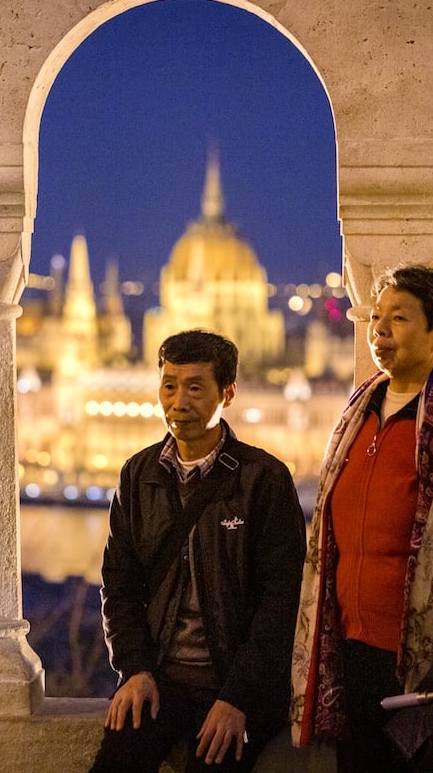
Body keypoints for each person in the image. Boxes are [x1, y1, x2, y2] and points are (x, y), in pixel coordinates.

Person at [290, 265, 433, 773]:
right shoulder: (358, 412)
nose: (379, 329)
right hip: (349, 651)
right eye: (376, 316)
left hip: (424, 667)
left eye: (400, 317)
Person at [90, 329, 307, 773]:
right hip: (160, 679)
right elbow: (120, 583)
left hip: (235, 686)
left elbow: (281, 602)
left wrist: (238, 698)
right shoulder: (139, 475)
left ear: (227, 394)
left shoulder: (263, 480)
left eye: (194, 387)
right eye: (169, 385)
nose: (178, 402)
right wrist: (134, 669)